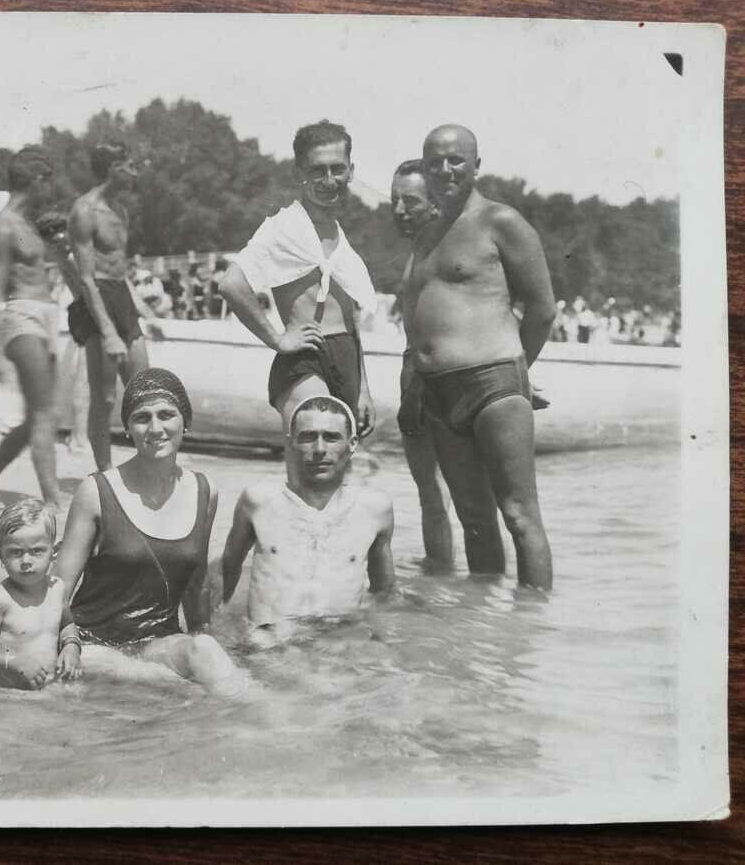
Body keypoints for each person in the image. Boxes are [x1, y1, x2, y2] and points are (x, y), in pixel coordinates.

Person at [400, 124, 555, 590]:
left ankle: (531, 632)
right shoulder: (426, 236)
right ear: (423, 167)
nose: (444, 170)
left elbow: (543, 309)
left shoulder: (500, 221)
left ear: (476, 165)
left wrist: (516, 373)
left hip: (494, 386)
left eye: (456, 160)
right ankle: (483, 638)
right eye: (434, 161)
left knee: (519, 516)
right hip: (438, 392)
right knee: (474, 519)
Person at [53, 368, 243, 694]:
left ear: (186, 422)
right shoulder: (96, 492)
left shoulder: (204, 490)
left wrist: (209, 640)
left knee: (208, 653)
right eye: (142, 418)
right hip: (95, 645)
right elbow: (56, 591)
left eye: (167, 415)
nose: (155, 428)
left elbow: (195, 586)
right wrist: (68, 643)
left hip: (158, 644)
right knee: (191, 688)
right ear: (128, 428)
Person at [219, 120, 377, 436]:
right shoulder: (283, 227)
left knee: (338, 466)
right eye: (317, 170)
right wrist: (277, 339)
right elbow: (231, 284)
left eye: (337, 169)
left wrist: (364, 390)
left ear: (351, 170)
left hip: (347, 359)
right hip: (305, 357)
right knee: (311, 452)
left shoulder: (340, 237)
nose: (329, 180)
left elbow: (350, 319)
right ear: (298, 174)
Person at [217, 395, 394, 646]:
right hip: (268, 645)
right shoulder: (259, 501)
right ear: (290, 443)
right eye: (308, 436)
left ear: (352, 443)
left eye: (331, 437)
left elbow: (384, 593)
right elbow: (225, 575)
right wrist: (218, 633)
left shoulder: (375, 509)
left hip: (338, 644)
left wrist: (382, 647)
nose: (320, 449)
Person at [0, 148, 66, 510]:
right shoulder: (3, 225)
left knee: (40, 416)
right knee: (43, 415)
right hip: (21, 316)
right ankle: (54, 500)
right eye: (48, 182)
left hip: (45, 314)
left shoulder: (30, 223)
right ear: (36, 180)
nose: (51, 191)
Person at [390, 159, 461, 569]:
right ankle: (445, 578)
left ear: (435, 203)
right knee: (432, 492)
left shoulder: (444, 247)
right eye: (394, 200)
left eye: (410, 201)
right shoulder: (421, 247)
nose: (399, 209)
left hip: (436, 376)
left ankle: (447, 578)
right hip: (418, 372)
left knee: (441, 492)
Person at [65, 140, 150, 471]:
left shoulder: (121, 210)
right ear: (114, 168)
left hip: (121, 297)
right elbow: (86, 278)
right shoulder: (84, 211)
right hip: (96, 300)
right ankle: (103, 474)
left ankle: (146, 466)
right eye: (129, 165)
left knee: (145, 390)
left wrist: (142, 310)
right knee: (104, 399)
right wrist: (109, 333)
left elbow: (120, 269)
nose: (134, 171)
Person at [0, 499, 82, 690]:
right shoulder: (2, 599)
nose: (26, 561)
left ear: (55, 551)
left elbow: (67, 624)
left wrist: (71, 646)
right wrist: (13, 662)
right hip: (7, 695)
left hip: (48, 688)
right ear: (0, 554)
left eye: (37, 551)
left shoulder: (57, 589)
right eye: (15, 552)